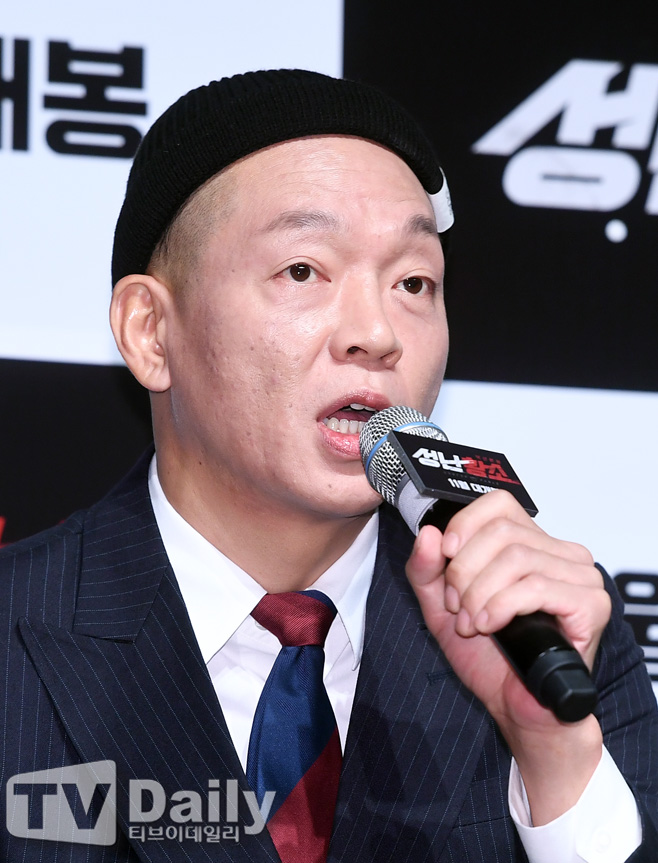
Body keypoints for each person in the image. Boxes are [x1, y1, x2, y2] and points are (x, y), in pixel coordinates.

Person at [1, 69, 656, 863]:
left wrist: (554, 758)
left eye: (413, 281)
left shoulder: (551, 637)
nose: (376, 333)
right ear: (150, 331)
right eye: (304, 270)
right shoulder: (16, 630)